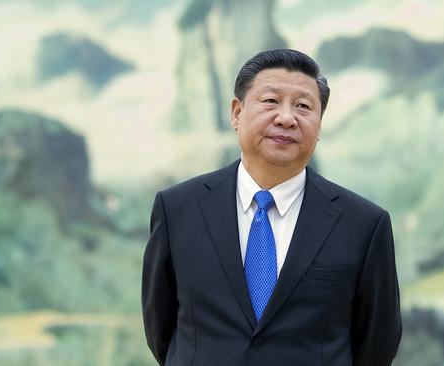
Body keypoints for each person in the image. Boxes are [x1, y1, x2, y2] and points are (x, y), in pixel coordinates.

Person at [142, 49, 401, 366]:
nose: (287, 118)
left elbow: (377, 344)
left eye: (304, 107)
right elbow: (162, 331)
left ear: (319, 126)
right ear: (237, 113)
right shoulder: (177, 209)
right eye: (270, 101)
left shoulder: (363, 224)